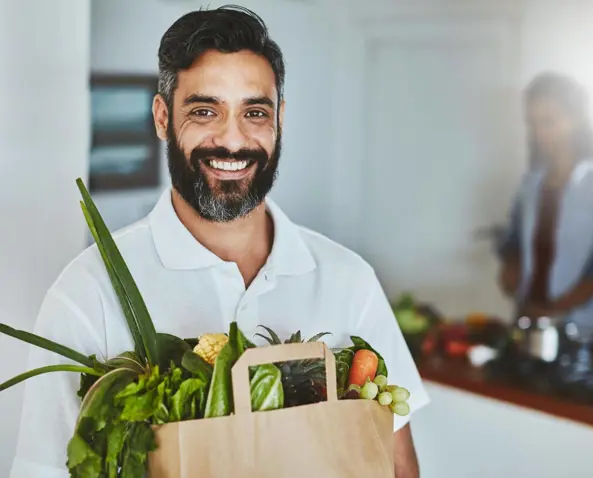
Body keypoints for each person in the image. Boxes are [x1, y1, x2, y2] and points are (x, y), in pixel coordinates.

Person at [10, 6, 428, 477]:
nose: (233, 140)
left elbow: (397, 462)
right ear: (163, 118)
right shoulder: (90, 294)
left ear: (280, 121)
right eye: (205, 111)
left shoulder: (349, 280)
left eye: (254, 112)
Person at [497, 72, 593, 342]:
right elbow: (513, 241)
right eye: (532, 123)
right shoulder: (531, 183)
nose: (539, 133)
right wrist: (510, 270)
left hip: (584, 331)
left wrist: (552, 311)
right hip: (529, 326)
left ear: (575, 120)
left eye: (549, 122)